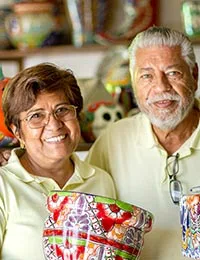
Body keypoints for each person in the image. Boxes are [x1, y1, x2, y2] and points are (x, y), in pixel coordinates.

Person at [86, 26, 200, 259]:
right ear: (134, 83)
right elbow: (87, 220)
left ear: (194, 75)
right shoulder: (112, 140)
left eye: (173, 73)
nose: (160, 87)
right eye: (147, 75)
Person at [0, 63, 116, 260]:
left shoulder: (101, 181)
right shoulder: (3, 185)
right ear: (17, 131)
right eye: (36, 116)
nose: (54, 124)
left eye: (62, 110)